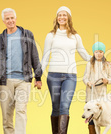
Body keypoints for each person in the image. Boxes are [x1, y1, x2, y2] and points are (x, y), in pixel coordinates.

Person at [0, 8, 42, 134]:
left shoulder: (27, 34)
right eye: (7, 18)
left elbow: (35, 56)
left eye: (12, 18)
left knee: (21, 111)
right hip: (5, 80)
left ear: (16, 19)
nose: (10, 20)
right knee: (7, 116)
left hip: (24, 80)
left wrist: (38, 77)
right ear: (3, 21)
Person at [41, 6, 92, 134]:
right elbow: (45, 57)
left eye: (64, 15)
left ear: (68, 17)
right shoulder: (51, 35)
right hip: (53, 76)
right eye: (59, 15)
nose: (62, 17)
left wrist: (100, 59)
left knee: (65, 106)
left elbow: (84, 55)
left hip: (70, 76)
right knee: (56, 108)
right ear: (56, 18)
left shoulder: (75, 36)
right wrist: (37, 76)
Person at [83, 42, 111, 134]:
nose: (99, 54)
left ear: (103, 53)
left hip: (102, 96)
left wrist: (107, 80)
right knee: (91, 117)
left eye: (101, 52)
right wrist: (88, 82)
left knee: (101, 116)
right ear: (94, 53)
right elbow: (85, 77)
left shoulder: (107, 65)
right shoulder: (89, 64)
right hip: (91, 95)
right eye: (96, 52)